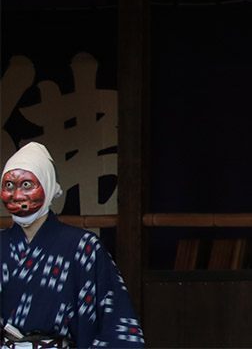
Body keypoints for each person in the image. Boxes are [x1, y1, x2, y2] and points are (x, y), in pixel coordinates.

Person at [1, 142, 145, 348]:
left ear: (48, 186)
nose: (16, 195)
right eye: (8, 185)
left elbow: (114, 322)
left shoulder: (83, 248)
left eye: (26, 185)